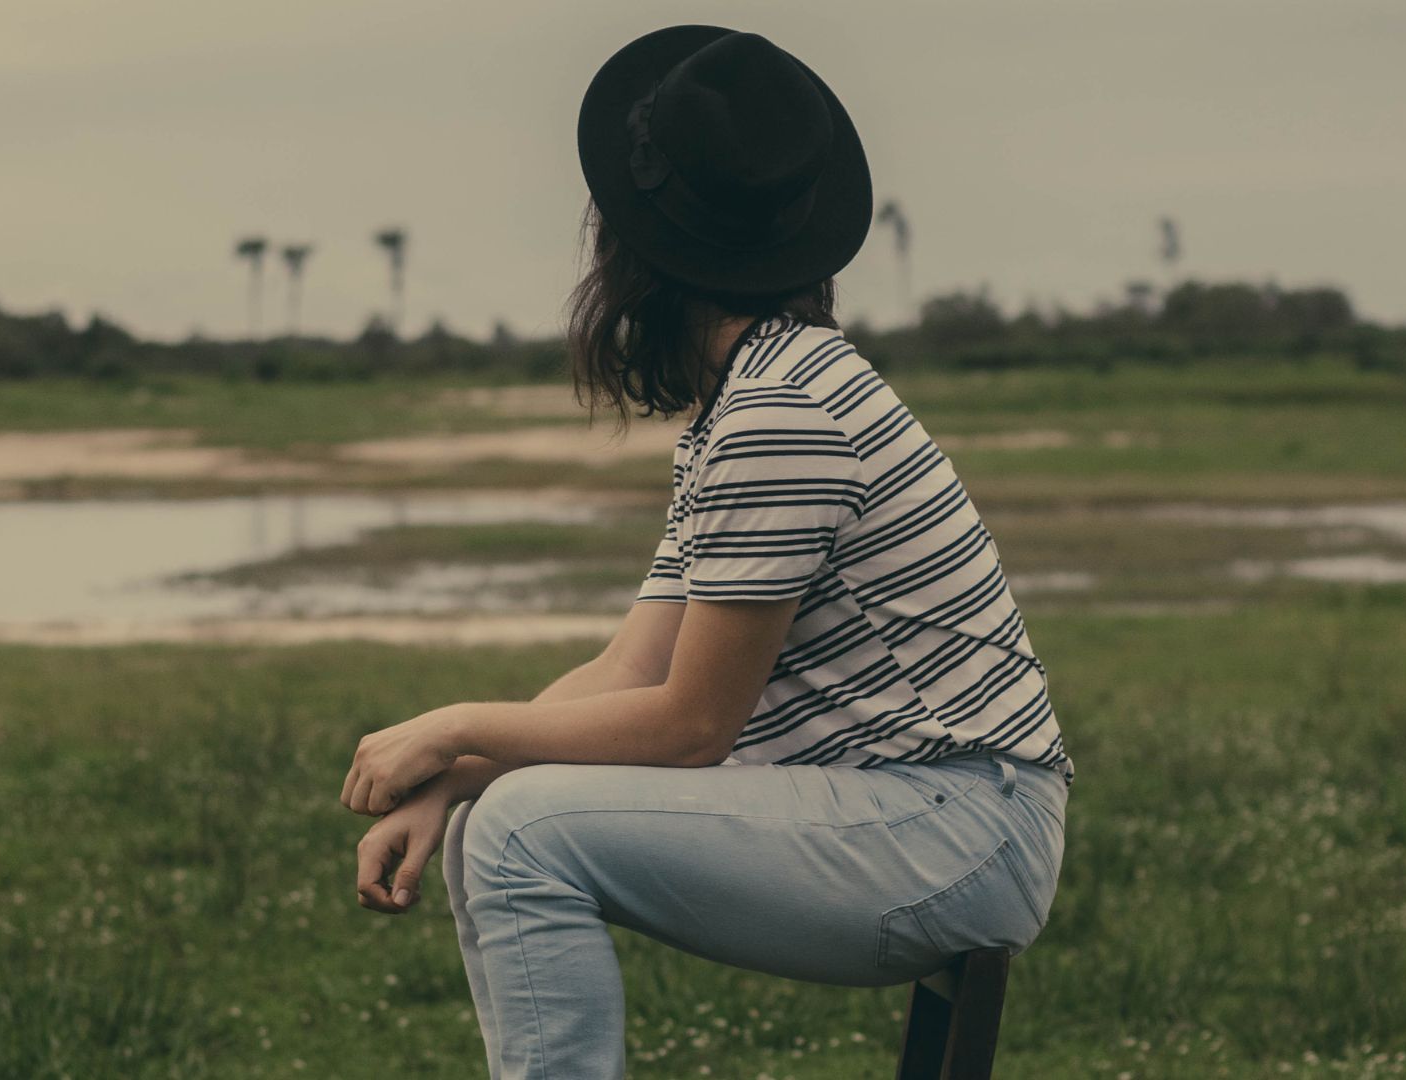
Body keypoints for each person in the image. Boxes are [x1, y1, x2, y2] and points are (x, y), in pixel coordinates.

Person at [340, 25, 1073, 1079]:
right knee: (496, 816)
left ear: (633, 248)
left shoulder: (783, 415)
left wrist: (452, 724)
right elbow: (628, 670)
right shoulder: (754, 401)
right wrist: (450, 777)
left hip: (958, 827)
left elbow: (688, 726)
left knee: (521, 836)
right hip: (938, 811)